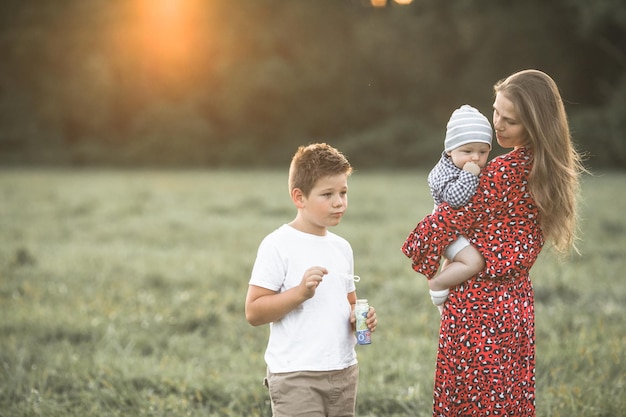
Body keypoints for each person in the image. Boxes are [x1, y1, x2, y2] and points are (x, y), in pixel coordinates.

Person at [401, 69, 585, 416]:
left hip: (478, 306)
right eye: (496, 110)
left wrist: (420, 245)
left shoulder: (501, 173)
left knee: (470, 401)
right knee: (507, 399)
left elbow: (448, 220)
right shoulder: (546, 171)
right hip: (515, 304)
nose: (497, 124)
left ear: (534, 126)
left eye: (510, 120)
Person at [245, 142, 377, 417]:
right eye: (327, 194)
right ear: (299, 197)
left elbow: (349, 304)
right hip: (296, 375)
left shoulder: (342, 247)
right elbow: (254, 311)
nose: (339, 202)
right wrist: (299, 293)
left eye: (343, 192)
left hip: (343, 371)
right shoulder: (278, 244)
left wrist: (359, 318)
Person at [426, 104, 493, 310]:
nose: (475, 158)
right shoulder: (442, 173)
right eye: (467, 151)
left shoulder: (462, 164)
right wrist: (470, 174)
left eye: (483, 151)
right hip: (446, 230)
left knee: (459, 262)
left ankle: (447, 301)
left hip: (458, 229)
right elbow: (456, 199)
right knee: (474, 262)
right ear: (450, 150)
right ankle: (438, 283)